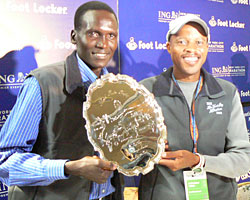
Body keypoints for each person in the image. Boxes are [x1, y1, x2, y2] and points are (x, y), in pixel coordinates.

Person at [0, 1, 122, 199]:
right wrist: (67, 168)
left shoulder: (118, 89)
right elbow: (5, 163)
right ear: (74, 36)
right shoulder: (42, 83)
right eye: (94, 34)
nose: (103, 44)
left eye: (111, 36)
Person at [138, 14, 250, 200]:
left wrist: (199, 161)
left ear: (207, 47)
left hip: (219, 195)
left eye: (199, 42)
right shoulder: (146, 91)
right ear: (169, 46)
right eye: (182, 41)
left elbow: (244, 158)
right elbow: (128, 154)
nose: (191, 49)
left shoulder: (227, 92)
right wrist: (143, 149)